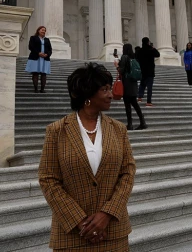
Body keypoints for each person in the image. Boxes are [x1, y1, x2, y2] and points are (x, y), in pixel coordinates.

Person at [38, 63, 136, 250]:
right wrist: (81, 221)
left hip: (114, 232)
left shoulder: (118, 129)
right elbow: (48, 179)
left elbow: (128, 172)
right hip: (72, 235)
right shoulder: (56, 131)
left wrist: (107, 214)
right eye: (104, 89)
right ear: (87, 95)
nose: (111, 94)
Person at [116, 44, 147, 130]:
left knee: (127, 105)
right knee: (134, 103)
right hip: (133, 83)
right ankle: (142, 121)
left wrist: (117, 66)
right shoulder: (133, 57)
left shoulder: (124, 57)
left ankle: (130, 124)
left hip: (127, 83)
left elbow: (121, 70)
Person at [25, 26, 52, 93]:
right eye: (42, 30)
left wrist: (47, 54)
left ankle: (42, 89)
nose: (43, 31)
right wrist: (38, 53)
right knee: (35, 73)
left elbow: (50, 49)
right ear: (38, 31)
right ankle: (36, 89)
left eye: (44, 30)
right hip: (35, 57)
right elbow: (31, 47)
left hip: (45, 59)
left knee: (43, 74)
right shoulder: (33, 38)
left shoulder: (47, 40)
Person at [137, 37, 160, 107]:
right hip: (150, 71)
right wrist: (153, 47)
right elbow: (158, 54)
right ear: (148, 42)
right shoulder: (151, 50)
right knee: (149, 87)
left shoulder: (140, 50)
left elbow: (137, 57)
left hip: (142, 70)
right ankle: (148, 101)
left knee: (142, 84)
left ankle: (140, 97)